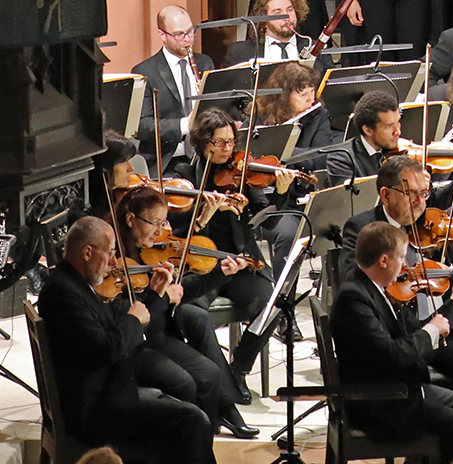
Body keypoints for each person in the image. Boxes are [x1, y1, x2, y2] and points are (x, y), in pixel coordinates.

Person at [39, 217, 216, 464]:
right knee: (192, 420)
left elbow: (114, 328)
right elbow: (107, 349)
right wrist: (133, 321)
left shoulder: (73, 284)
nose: (113, 262)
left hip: (108, 394)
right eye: (110, 253)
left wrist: (155, 294)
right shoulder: (63, 293)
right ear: (88, 252)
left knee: (189, 414)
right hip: (96, 410)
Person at [329, 220, 453, 462]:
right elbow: (393, 355)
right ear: (383, 261)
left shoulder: (371, 286)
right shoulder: (354, 299)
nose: (405, 265)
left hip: (392, 388)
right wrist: (431, 332)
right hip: (376, 403)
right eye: (401, 258)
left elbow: (411, 331)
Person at [111, 187, 256, 433]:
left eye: (163, 222)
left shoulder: (149, 252)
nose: (160, 231)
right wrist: (162, 297)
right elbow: (140, 317)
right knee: (201, 377)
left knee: (209, 372)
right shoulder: (118, 259)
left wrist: (221, 272)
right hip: (135, 342)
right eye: (153, 223)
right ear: (130, 220)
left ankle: (205, 436)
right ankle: (194, 439)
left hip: (156, 333)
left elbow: (181, 292)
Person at [163, 112, 278, 325]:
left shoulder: (241, 174)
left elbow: (269, 221)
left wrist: (281, 192)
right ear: (203, 143)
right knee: (192, 315)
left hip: (241, 263)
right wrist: (204, 210)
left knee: (268, 313)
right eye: (219, 142)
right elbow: (172, 223)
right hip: (201, 267)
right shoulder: (185, 176)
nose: (228, 148)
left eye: (231, 142)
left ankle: (241, 360)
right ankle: (214, 360)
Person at [133, 5, 214, 157]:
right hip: (168, 161)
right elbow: (141, 126)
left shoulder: (205, 63)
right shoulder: (145, 72)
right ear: (162, 35)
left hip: (205, 157)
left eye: (191, 31)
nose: (188, 39)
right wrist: (185, 125)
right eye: (179, 34)